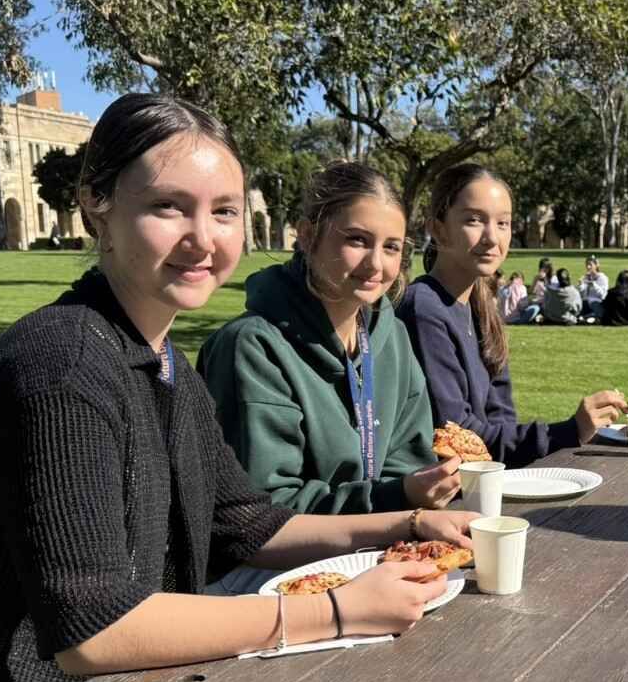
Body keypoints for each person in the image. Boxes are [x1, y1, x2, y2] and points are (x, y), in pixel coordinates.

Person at [0, 95, 473, 682]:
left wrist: (409, 524)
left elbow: (246, 523)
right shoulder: (62, 365)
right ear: (96, 204)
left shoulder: (165, 364)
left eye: (224, 212)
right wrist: (334, 612)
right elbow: (92, 631)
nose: (203, 239)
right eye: (168, 206)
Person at [197, 160, 460, 527]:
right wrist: (395, 497)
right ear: (307, 236)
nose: (376, 264)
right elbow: (263, 510)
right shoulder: (251, 349)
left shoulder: (393, 338)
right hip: (285, 558)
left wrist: (411, 491)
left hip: (387, 542)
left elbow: (409, 462)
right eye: (357, 240)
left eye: (391, 247)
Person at [397, 163, 628, 467]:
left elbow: (500, 417)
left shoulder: (481, 306)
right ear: (438, 229)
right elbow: (458, 438)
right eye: (474, 220)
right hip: (446, 489)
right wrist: (568, 431)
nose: (492, 237)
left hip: (488, 481)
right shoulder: (423, 309)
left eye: (503, 223)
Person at [579, 256, 609, 321]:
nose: (588, 267)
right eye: (587, 264)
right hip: (586, 303)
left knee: (599, 312)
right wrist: (581, 285)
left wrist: (594, 285)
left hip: (597, 303)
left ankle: (586, 317)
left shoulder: (602, 278)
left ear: (596, 265)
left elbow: (603, 295)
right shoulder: (586, 277)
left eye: (590, 265)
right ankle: (587, 317)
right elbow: (582, 295)